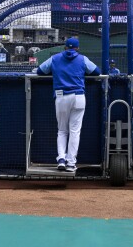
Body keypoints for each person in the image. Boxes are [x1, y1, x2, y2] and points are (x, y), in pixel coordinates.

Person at [36, 37, 100, 173]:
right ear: (77, 48)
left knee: (62, 131)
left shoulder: (55, 58)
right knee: (75, 132)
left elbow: (40, 71)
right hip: (78, 97)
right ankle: (71, 163)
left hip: (61, 97)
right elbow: (97, 72)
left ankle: (61, 159)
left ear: (65, 47)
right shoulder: (82, 59)